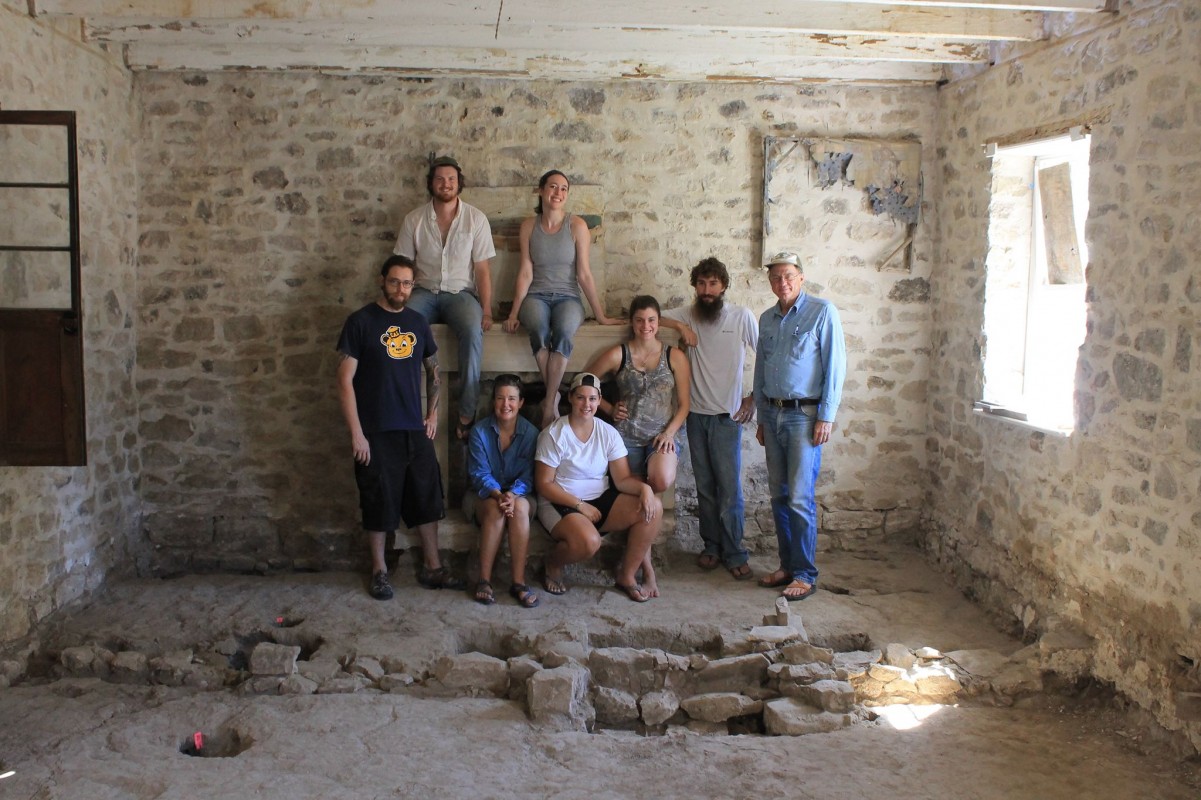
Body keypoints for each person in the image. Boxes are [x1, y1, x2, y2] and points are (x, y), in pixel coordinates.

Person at [336, 255, 464, 600]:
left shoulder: (417, 322)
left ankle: (433, 567)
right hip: (375, 431)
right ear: (382, 281)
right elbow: (344, 381)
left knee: (427, 496)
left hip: (413, 428)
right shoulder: (360, 322)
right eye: (394, 281)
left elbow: (433, 371)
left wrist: (432, 414)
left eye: (407, 283)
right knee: (377, 500)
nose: (400, 289)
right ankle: (379, 571)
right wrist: (357, 433)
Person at [752, 251, 846, 602]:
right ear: (770, 282)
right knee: (779, 496)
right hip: (774, 414)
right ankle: (787, 566)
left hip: (804, 417)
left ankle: (805, 574)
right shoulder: (767, 319)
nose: (783, 283)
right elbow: (761, 371)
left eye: (789, 276)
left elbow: (835, 366)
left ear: (801, 277)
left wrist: (826, 416)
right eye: (776, 277)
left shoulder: (822, 312)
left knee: (799, 497)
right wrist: (762, 416)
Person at [659, 257, 759, 581]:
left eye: (713, 283)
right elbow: (649, 315)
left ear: (724, 286)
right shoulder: (689, 314)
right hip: (695, 417)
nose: (707, 290)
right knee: (704, 487)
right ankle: (712, 547)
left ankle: (735, 553)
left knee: (729, 490)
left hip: (727, 418)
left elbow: (767, 356)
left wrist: (754, 397)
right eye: (701, 284)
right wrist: (680, 328)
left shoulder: (741, 316)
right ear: (695, 286)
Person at [503, 169, 621, 427]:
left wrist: (600, 315)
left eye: (564, 188)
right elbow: (525, 272)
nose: (558, 192)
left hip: (568, 297)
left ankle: (548, 402)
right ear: (541, 190)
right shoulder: (528, 226)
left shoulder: (576, 226)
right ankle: (553, 396)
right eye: (553, 186)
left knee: (564, 332)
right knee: (538, 330)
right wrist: (513, 312)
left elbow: (584, 274)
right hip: (536, 295)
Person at [533, 373, 663, 602]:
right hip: (560, 500)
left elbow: (622, 480)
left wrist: (645, 490)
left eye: (592, 399)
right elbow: (543, 484)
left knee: (654, 507)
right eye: (581, 398)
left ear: (599, 400)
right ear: (571, 398)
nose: (587, 404)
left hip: (599, 498)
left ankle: (627, 575)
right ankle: (552, 563)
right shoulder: (554, 434)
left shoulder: (608, 432)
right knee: (589, 543)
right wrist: (579, 505)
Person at [394, 155, 496, 440]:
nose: (446, 184)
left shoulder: (476, 219)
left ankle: (467, 412)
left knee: (473, 332)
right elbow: (403, 266)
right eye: (440, 179)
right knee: (400, 331)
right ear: (431, 183)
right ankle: (405, 406)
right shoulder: (414, 219)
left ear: (459, 183)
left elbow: (482, 270)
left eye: (451, 179)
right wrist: (397, 304)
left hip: (460, 295)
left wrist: (487, 310)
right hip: (423, 292)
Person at [583, 295, 691, 495]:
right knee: (629, 490)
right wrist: (608, 408)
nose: (646, 326)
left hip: (661, 434)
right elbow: (584, 381)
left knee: (661, 479)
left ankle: (650, 502)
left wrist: (669, 433)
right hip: (626, 435)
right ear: (632, 322)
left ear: (658, 322)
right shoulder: (619, 354)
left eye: (651, 320)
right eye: (639, 320)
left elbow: (685, 404)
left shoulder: (674, 356)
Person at [465, 374, 540, 608]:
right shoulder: (479, 431)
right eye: (500, 398)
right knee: (496, 510)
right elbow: (479, 474)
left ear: (521, 403)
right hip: (483, 494)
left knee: (519, 509)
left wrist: (513, 494)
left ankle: (518, 582)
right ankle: (484, 581)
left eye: (512, 399)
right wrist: (499, 495)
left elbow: (529, 475)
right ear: (493, 401)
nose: (505, 404)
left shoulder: (531, 434)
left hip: (520, 494)